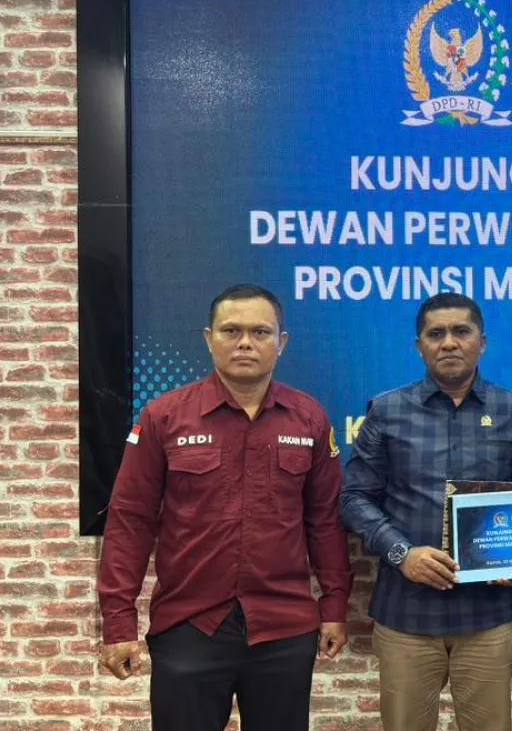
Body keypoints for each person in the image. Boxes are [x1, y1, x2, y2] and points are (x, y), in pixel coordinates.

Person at [96, 283, 352, 731]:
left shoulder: (309, 418)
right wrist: (119, 623)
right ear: (208, 338)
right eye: (231, 331)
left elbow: (325, 522)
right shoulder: (164, 417)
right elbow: (130, 521)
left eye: (260, 332)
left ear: (281, 342)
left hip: (284, 627)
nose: (245, 343)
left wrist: (334, 606)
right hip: (189, 625)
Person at [339, 292, 512, 731]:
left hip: (487, 616)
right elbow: (353, 497)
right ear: (420, 346)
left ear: (481, 342)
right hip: (406, 616)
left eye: (461, 332)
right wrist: (402, 554)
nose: (449, 342)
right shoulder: (387, 410)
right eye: (436, 334)